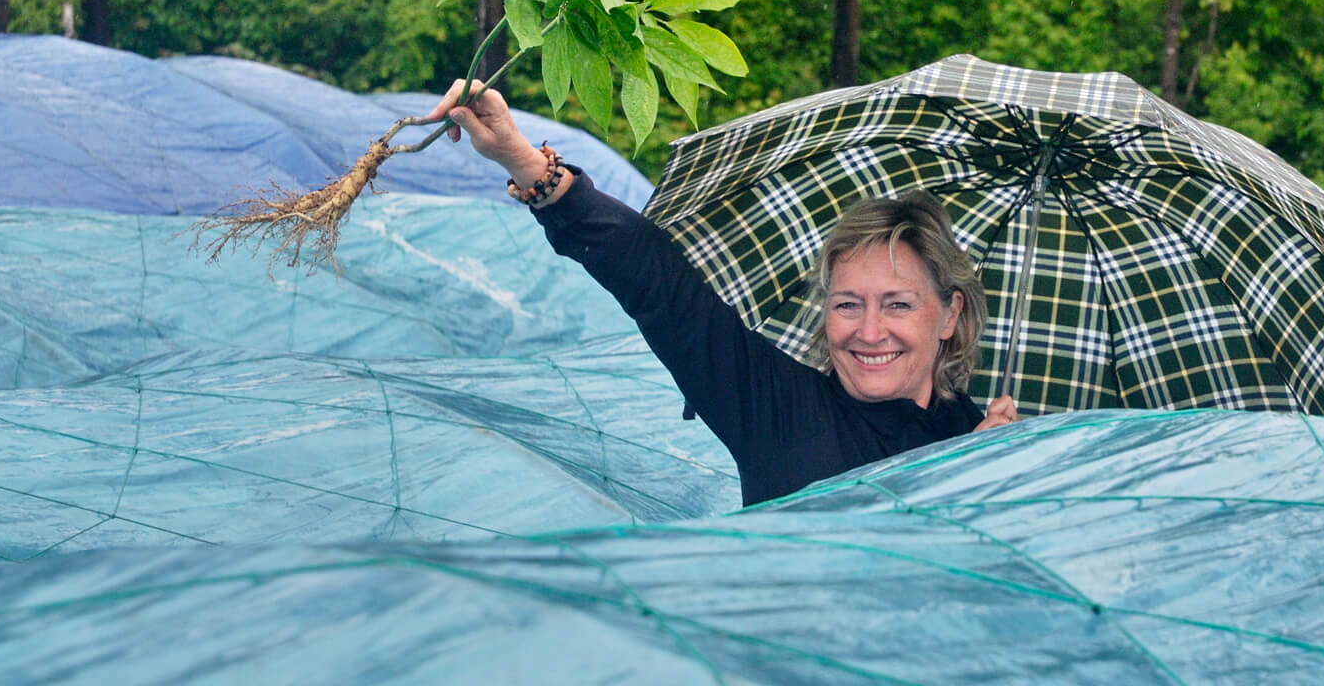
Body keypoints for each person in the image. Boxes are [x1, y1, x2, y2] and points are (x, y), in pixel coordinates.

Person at [431, 80, 1019, 505]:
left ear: (950, 314)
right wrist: (522, 158)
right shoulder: (772, 405)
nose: (868, 332)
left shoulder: (988, 443)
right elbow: (656, 280)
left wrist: (1005, 472)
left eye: (898, 304)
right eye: (847, 304)